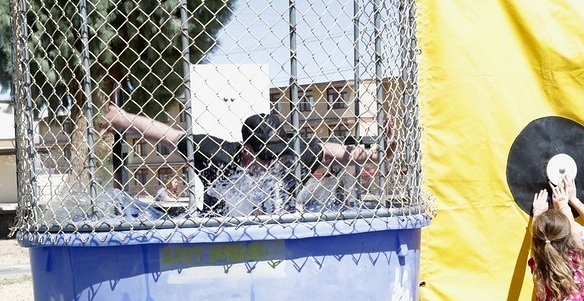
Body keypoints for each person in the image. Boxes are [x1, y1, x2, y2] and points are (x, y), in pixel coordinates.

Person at [103, 103, 389, 215]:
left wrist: (376, 154)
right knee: (115, 201)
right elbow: (166, 135)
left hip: (279, 240)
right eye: (261, 158)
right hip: (218, 235)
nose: (268, 164)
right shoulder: (218, 154)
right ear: (245, 149)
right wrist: (119, 118)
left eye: (272, 156)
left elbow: (332, 150)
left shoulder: (292, 154)